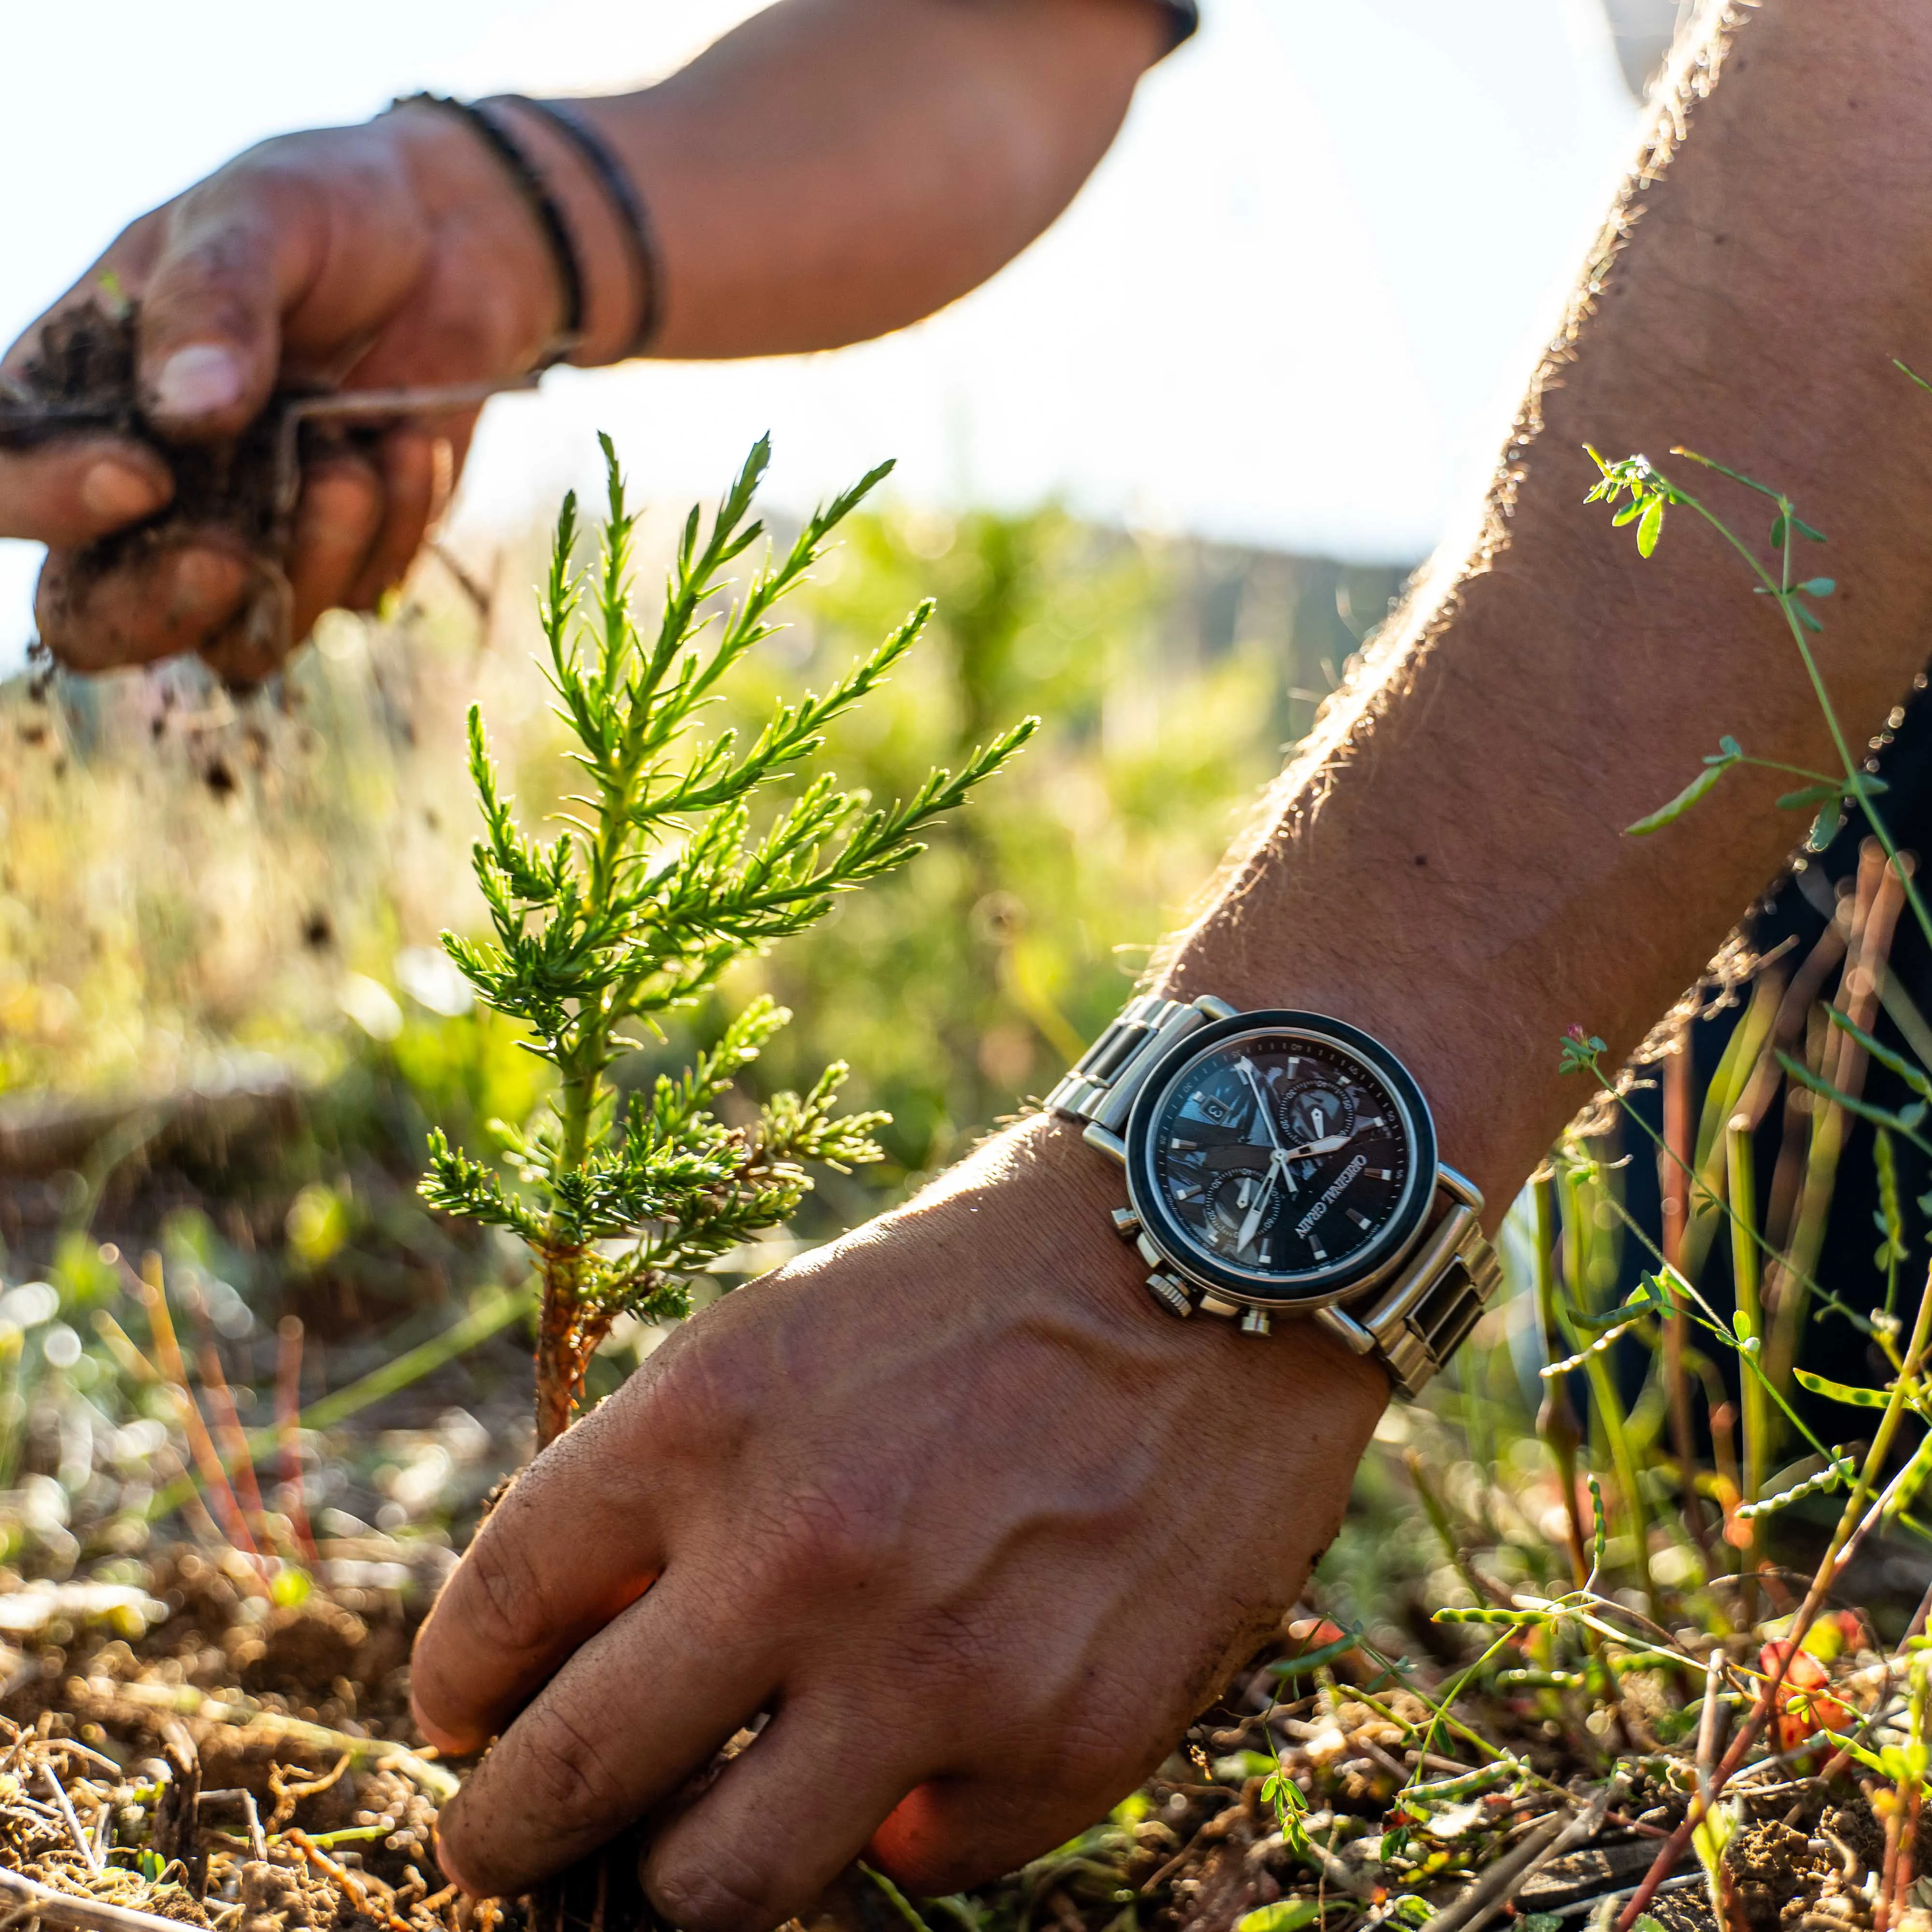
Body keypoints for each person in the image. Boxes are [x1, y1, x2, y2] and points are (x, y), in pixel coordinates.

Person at [7, 2, 1932, 1927]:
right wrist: (486, 211)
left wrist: (1178, 1265)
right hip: (1818, 559)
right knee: (1732, 1381)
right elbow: (1004, 38)